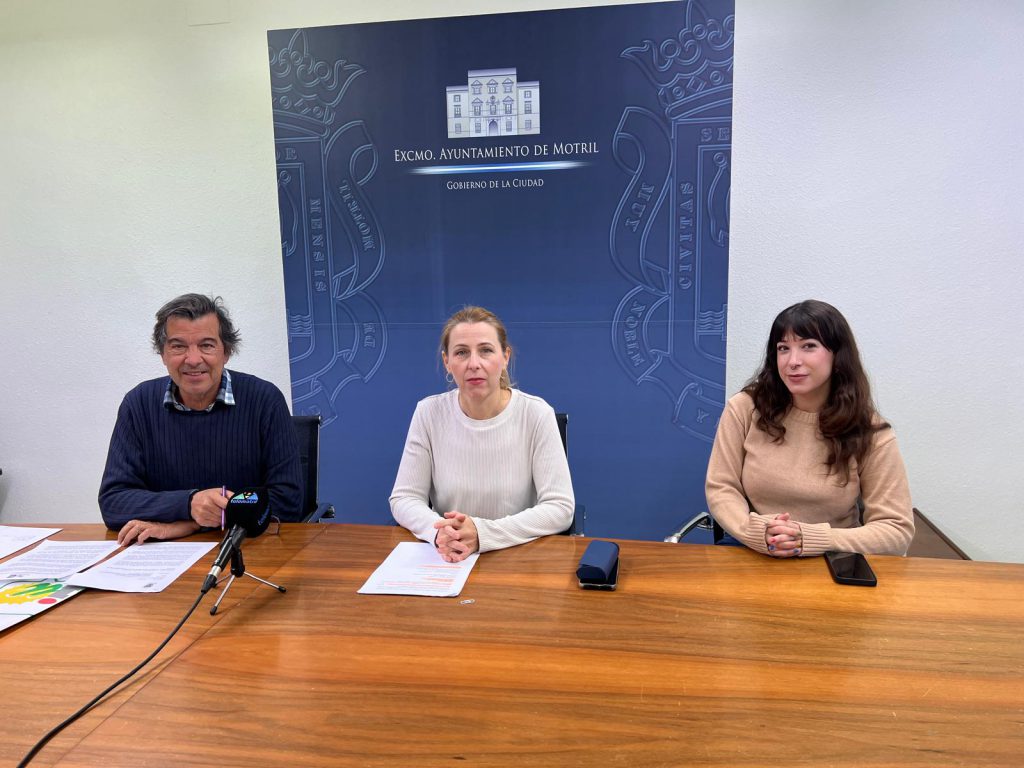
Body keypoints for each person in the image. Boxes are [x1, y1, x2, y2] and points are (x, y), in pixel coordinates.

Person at [705, 299, 914, 557]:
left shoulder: (871, 431)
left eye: (808, 346)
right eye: (783, 348)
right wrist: (757, 532)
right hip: (753, 549)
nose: (793, 361)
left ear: (838, 355)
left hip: (834, 556)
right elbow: (721, 488)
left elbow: (896, 531)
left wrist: (809, 538)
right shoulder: (745, 408)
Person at [99, 293, 303, 545]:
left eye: (206, 345)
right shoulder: (138, 404)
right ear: (162, 354)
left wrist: (190, 524)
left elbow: (287, 501)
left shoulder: (264, 399)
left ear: (226, 351)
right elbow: (113, 502)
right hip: (164, 555)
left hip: (250, 550)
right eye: (178, 346)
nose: (193, 360)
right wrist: (189, 504)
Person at [390, 306, 575, 562]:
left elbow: (560, 508)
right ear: (447, 362)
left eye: (486, 350)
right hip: (450, 558)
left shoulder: (536, 413)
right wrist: (440, 533)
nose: (474, 364)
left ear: (505, 357)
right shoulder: (429, 413)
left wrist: (482, 534)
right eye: (461, 352)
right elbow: (404, 498)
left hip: (517, 558)